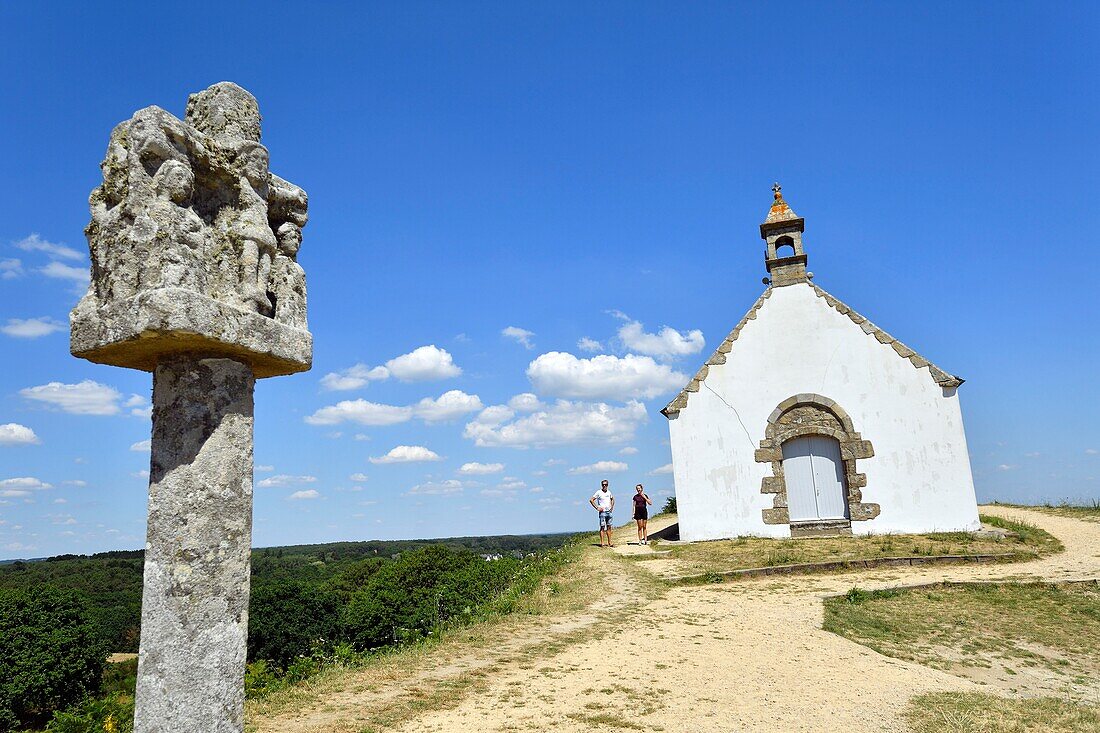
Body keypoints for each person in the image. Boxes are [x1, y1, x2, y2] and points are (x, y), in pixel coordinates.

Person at [589, 479, 615, 547]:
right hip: (602, 512)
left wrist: (612, 507)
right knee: (602, 527)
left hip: (609, 512)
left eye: (605, 484)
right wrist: (597, 507)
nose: (604, 486)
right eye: (603, 485)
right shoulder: (599, 492)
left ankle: (610, 542)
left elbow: (612, 499)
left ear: (607, 485)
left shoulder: (609, 492)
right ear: (601, 485)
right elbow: (591, 500)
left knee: (609, 527)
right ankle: (602, 543)